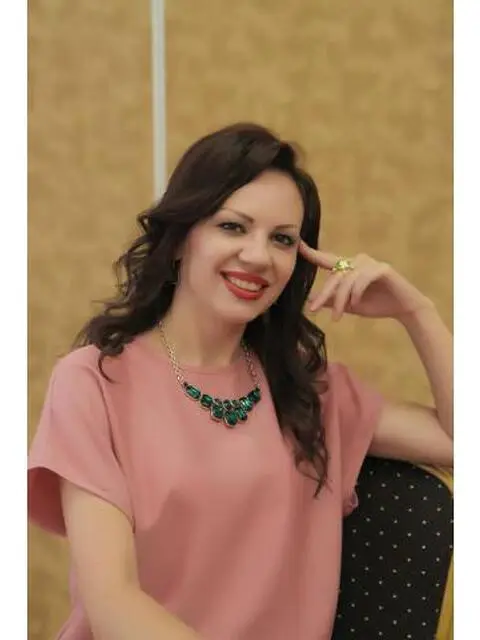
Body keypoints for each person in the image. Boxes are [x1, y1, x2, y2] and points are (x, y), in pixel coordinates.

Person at [28, 122, 453, 640]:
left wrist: (417, 313)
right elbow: (113, 602)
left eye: (282, 239)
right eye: (232, 227)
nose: (257, 256)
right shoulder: (93, 383)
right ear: (180, 238)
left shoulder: (306, 391)